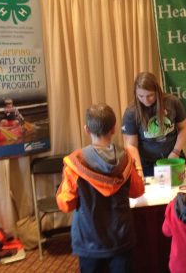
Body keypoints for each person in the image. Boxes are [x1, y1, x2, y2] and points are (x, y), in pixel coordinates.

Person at [56, 103, 145, 273]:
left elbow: (66, 204)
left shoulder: (75, 163)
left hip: (88, 239)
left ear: (86, 129)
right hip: (121, 237)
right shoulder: (126, 158)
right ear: (114, 129)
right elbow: (137, 191)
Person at [122, 72, 186, 177]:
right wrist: (139, 170)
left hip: (174, 157)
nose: (145, 100)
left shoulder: (173, 102)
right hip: (147, 165)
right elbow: (131, 145)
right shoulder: (131, 112)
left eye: (150, 95)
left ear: (157, 91)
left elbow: (183, 128)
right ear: (135, 93)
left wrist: (176, 151)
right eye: (141, 96)